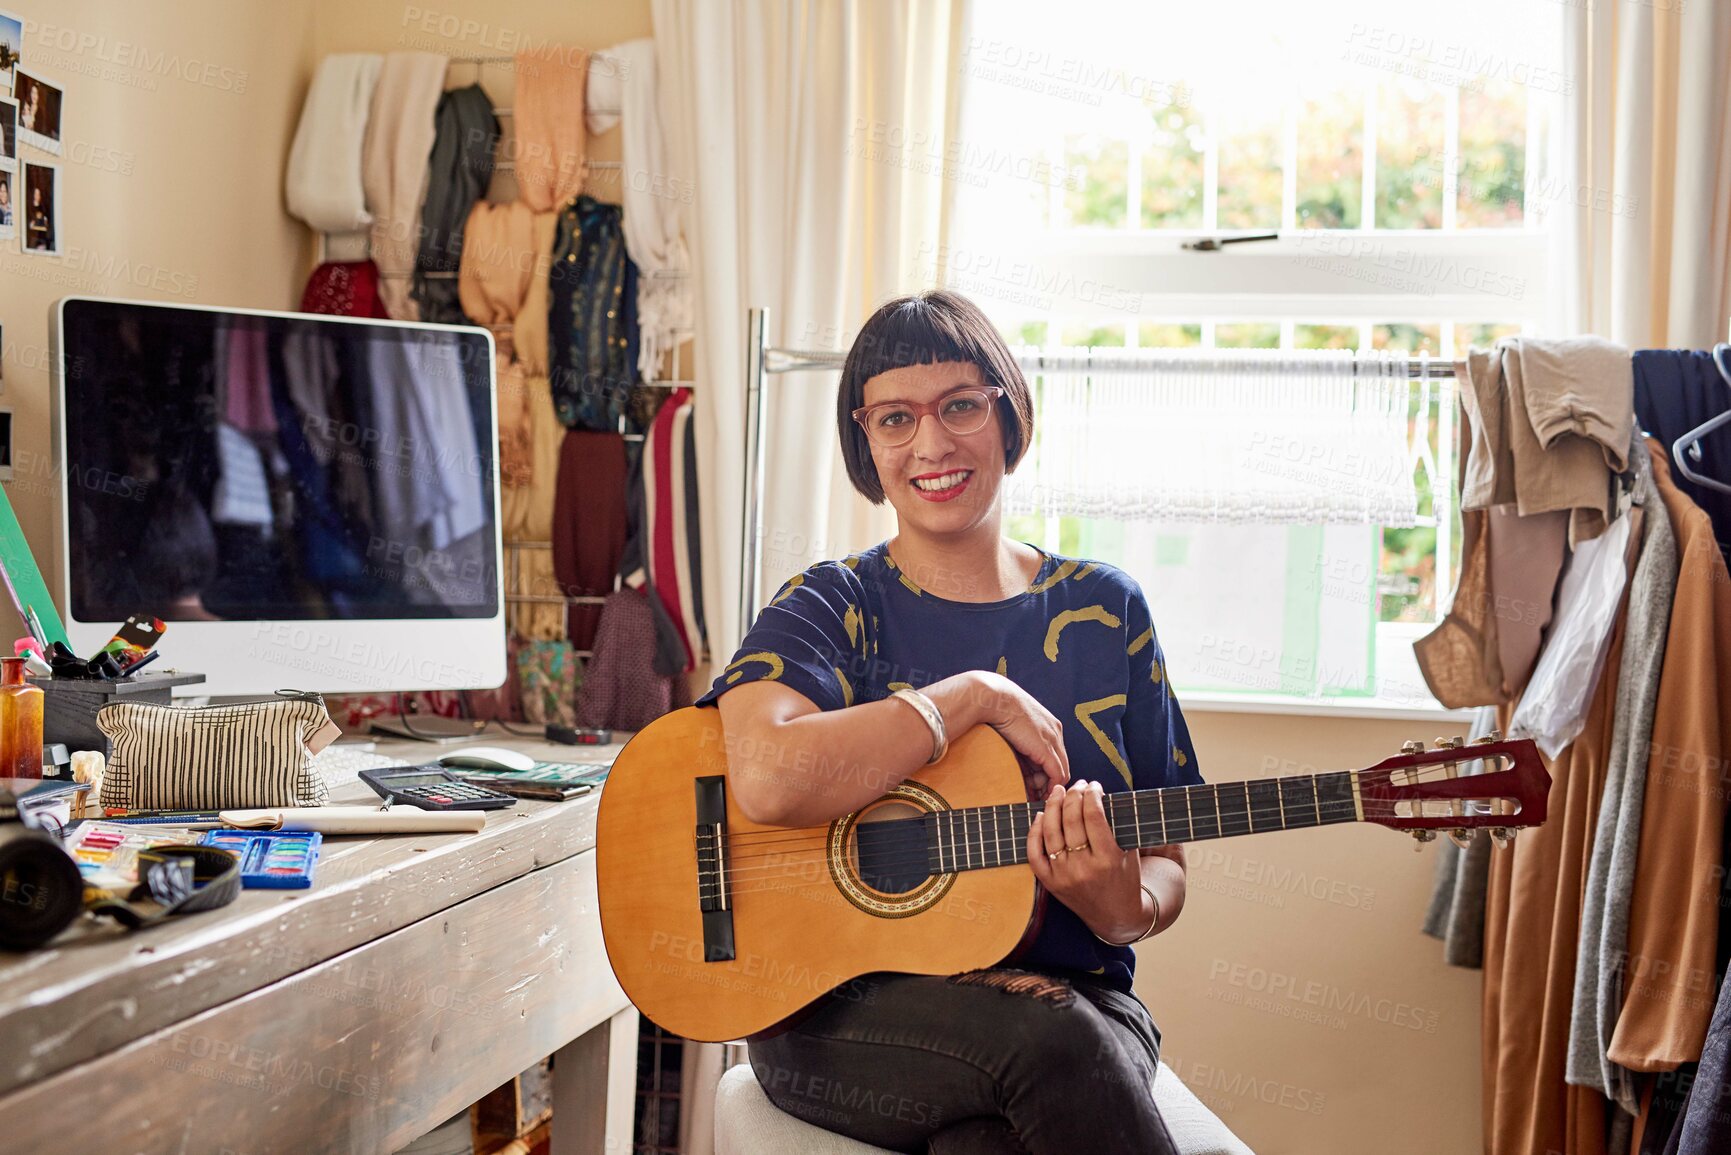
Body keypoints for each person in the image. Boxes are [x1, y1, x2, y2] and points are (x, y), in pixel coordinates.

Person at [694, 290, 1201, 1154]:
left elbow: (1166, 858)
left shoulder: (1105, 608)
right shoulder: (833, 602)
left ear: (1008, 415)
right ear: (867, 443)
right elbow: (766, 774)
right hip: (839, 1012)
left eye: (960, 405)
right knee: (1053, 1046)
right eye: (895, 418)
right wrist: (970, 697)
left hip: (1077, 993)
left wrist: (1122, 907)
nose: (930, 444)